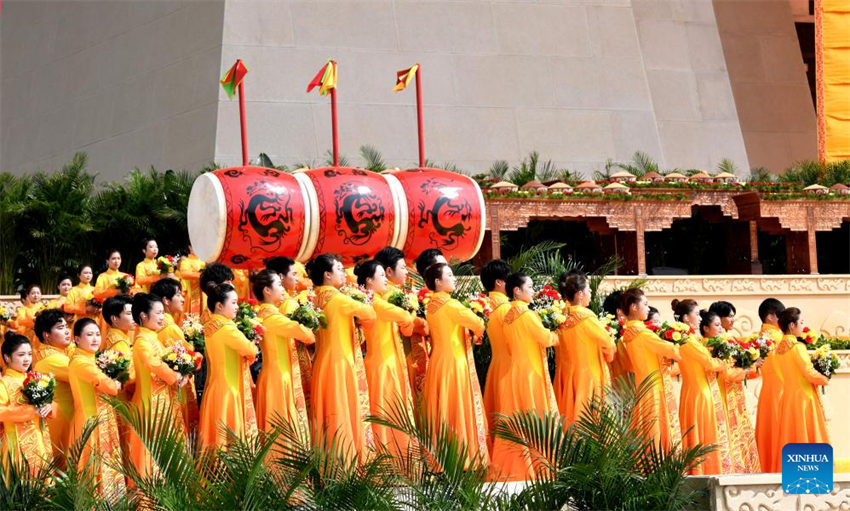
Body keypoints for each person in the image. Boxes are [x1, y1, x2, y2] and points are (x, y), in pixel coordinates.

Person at [308, 254, 377, 463]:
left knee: (329, 411)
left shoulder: (314, 298)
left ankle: (330, 465)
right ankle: (346, 464)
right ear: (327, 275)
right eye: (339, 269)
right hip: (339, 363)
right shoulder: (338, 299)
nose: (343, 273)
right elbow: (370, 314)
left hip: (322, 362)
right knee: (341, 410)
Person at [490, 272, 559, 480]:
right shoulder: (527, 315)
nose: (532, 291)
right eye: (529, 287)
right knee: (534, 418)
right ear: (516, 291)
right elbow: (545, 339)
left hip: (514, 373)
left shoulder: (508, 317)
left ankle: (515, 466)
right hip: (530, 373)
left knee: (516, 420)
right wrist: (558, 334)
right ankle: (540, 466)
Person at [422, 262, 488, 465]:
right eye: (449, 275)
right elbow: (477, 323)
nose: (454, 278)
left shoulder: (430, 306)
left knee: (441, 408)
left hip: (437, 361)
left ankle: (441, 458)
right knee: (456, 406)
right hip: (455, 362)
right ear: (437, 282)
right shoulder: (451, 305)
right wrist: (478, 327)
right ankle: (464, 457)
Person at [356, 260, 416, 457]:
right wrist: (409, 315)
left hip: (389, 362)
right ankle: (387, 458)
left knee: (392, 410)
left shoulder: (377, 300)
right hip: (382, 365)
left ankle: (398, 457)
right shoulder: (374, 302)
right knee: (384, 411)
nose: (385, 279)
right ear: (369, 280)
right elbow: (405, 318)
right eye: (381, 276)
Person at [128, 293, 187, 476]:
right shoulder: (141, 341)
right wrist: (175, 376)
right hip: (150, 405)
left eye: (163, 313)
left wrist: (181, 373)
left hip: (163, 401)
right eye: (159, 313)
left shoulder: (153, 338)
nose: (163, 317)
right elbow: (154, 364)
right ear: (144, 316)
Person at [250, 270, 315, 435]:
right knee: (282, 428)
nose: (283, 289)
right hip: (279, 379)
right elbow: (307, 336)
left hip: (275, 375)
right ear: (267, 290)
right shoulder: (273, 319)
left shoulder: (264, 315)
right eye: (279, 285)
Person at [67, 318, 125, 496]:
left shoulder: (93, 359)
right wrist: (115, 383)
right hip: (89, 421)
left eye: (98, 334)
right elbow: (106, 384)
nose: (95, 338)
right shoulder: (79, 361)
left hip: (103, 418)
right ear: (76, 338)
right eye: (89, 334)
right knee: (91, 466)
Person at [198, 283, 259, 450]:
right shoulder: (227, 329)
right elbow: (250, 349)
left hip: (216, 387)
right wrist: (253, 344)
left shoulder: (210, 326)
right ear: (219, 305)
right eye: (233, 302)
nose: (237, 307)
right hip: (229, 389)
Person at [620, 289, 682, 450]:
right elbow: (671, 350)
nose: (648, 308)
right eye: (645, 304)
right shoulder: (643, 334)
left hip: (642, 388)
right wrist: (683, 340)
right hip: (654, 389)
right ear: (634, 307)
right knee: (655, 435)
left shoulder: (627, 334)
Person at [771, 307, 830, 472]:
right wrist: (824, 378)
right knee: (807, 435)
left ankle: (793, 473)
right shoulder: (797, 348)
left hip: (788, 398)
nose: (803, 326)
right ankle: (811, 474)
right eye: (801, 322)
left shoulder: (779, 350)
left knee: (792, 436)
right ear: (791, 325)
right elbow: (809, 372)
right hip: (804, 398)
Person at [554, 271, 615, 426]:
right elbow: (607, 343)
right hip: (589, 373)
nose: (591, 293)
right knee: (589, 415)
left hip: (566, 373)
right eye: (589, 290)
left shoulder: (561, 317)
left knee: (569, 413)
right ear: (580, 294)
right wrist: (609, 356)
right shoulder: (587, 316)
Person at [709, 299, 761, 472]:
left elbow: (738, 370)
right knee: (728, 433)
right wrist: (750, 368)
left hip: (734, 393)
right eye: (729, 317)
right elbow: (727, 373)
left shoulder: (729, 340)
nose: (733, 320)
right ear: (719, 318)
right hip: (723, 393)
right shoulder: (716, 343)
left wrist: (753, 366)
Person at [679, 309, 731, 474]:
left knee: (703, 433)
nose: (700, 318)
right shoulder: (688, 341)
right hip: (700, 393)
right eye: (696, 313)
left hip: (697, 391)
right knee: (703, 434)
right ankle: (704, 472)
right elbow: (710, 364)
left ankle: (705, 471)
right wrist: (726, 361)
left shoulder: (690, 339)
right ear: (686, 317)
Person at [0, 333, 55, 475]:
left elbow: (52, 404)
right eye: (21, 355)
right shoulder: (3, 383)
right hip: (16, 445)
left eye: (29, 354)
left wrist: (49, 407)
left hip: (39, 439)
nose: (27, 359)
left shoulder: (37, 379)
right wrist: (31, 411)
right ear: (7, 357)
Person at [267, 256, 315, 412]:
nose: (297, 278)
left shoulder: (276, 304)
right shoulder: (288, 304)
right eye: (293, 274)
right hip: (296, 358)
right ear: (281, 277)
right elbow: (304, 335)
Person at [152, 278, 200, 433]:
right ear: (166, 300)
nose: (182, 298)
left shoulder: (159, 324)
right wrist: (198, 354)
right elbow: (190, 357)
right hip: (176, 384)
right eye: (178, 295)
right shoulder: (169, 327)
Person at [32, 308, 74, 459]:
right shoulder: (52, 359)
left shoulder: (55, 354)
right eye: (61, 328)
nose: (67, 331)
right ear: (46, 335)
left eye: (67, 327)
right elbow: (84, 372)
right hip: (62, 420)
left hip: (63, 417)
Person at [479, 259, 511, 449]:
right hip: (509, 365)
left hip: (496, 364)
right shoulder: (507, 308)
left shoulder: (485, 305)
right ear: (499, 282)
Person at [101, 294, 137, 462]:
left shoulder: (118, 337)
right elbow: (128, 377)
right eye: (129, 313)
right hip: (126, 399)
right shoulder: (119, 342)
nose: (134, 316)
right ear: (115, 319)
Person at [754, 298, 786, 473]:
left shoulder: (764, 336)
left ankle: (770, 468)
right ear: (769, 317)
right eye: (780, 315)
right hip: (782, 389)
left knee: (771, 431)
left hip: (770, 389)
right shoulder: (776, 337)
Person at [63, 264, 100, 330]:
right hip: (79, 322)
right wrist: (85, 309)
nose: (88, 275)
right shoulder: (74, 290)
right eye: (85, 273)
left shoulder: (96, 290)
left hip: (94, 322)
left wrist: (99, 309)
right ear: (78, 275)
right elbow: (67, 307)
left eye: (90, 273)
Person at [177, 245, 206, 316]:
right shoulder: (186, 261)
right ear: (190, 247)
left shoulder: (204, 261)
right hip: (192, 295)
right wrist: (200, 275)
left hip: (204, 294)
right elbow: (184, 274)